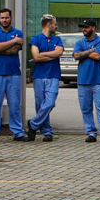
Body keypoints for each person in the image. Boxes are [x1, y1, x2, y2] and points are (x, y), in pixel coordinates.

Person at [0, 8, 26, 142]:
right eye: (2, 18)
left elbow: (13, 51)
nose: (4, 20)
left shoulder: (18, 32)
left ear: (11, 18)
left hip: (14, 73)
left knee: (15, 105)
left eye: (7, 17)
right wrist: (13, 42)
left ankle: (18, 132)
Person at [71, 20, 100, 143]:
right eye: (83, 27)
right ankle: (91, 133)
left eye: (86, 27)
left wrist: (83, 53)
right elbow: (75, 56)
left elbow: (98, 56)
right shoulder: (80, 42)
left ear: (93, 28)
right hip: (83, 81)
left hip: (98, 81)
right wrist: (91, 51)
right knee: (85, 108)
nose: (84, 29)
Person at [27, 14, 64, 142]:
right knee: (40, 104)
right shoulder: (35, 39)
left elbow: (59, 52)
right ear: (49, 24)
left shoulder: (57, 39)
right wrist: (51, 55)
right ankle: (46, 131)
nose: (56, 26)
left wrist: (43, 54)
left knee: (49, 102)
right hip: (39, 76)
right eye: (55, 23)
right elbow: (36, 57)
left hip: (53, 75)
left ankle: (32, 124)